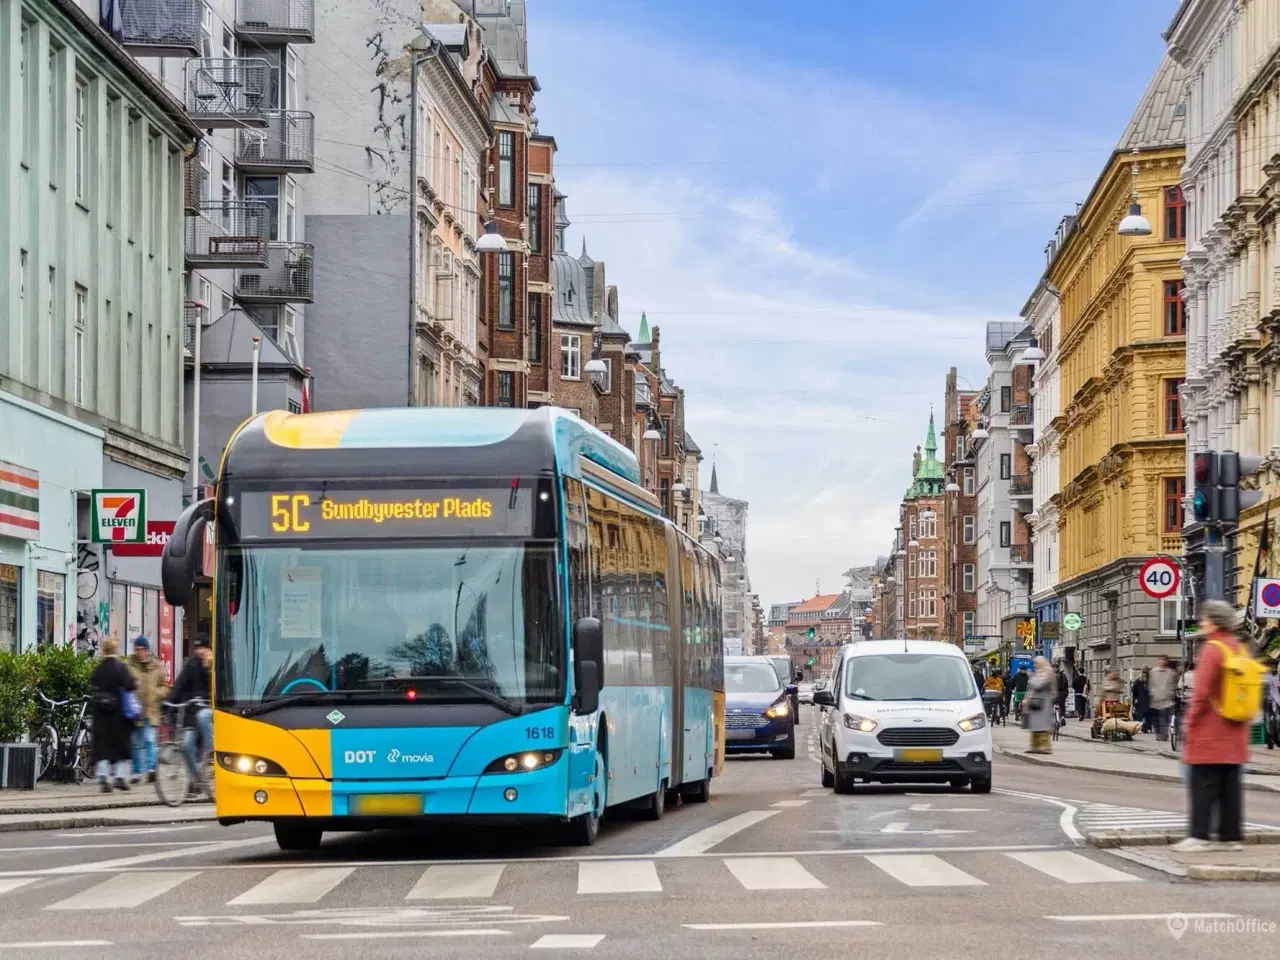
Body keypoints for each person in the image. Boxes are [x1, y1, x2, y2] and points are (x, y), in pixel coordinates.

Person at [1175, 600, 1250, 852]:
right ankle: (1231, 837)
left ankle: (1199, 835)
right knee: (1230, 787)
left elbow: (1201, 692)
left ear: (1215, 621)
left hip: (1209, 731)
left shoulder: (1212, 648)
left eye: (1205, 619)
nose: (1202, 623)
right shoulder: (1237, 647)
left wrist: (1189, 721)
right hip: (1235, 730)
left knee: (1203, 784)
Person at [89, 637, 138, 793]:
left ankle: (103, 776)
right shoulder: (120, 667)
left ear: (103, 650)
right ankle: (119, 777)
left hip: (100, 713)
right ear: (115, 650)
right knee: (120, 746)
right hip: (118, 714)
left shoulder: (98, 668)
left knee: (102, 746)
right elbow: (130, 685)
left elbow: (92, 685)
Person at [169, 635, 213, 791]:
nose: (200, 651)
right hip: (192, 713)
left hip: (209, 708)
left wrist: (209, 667)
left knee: (203, 717)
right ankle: (196, 777)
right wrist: (169, 702)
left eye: (203, 648)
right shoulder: (191, 665)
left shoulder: (214, 664)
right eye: (197, 648)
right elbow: (179, 684)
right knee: (187, 744)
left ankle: (212, 751)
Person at [127, 636, 168, 784]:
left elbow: (165, 686)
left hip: (151, 709)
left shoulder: (157, 666)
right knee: (136, 743)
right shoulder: (130, 666)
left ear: (147, 650)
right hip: (135, 711)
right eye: (137, 649)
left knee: (150, 740)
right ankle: (137, 772)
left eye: (142, 649)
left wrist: (158, 693)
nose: (139, 653)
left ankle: (151, 770)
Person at [1024, 656, 1057, 754]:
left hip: (1043, 703)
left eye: (1036, 663)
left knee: (1043, 726)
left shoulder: (1047, 673)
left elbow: (1038, 685)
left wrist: (1031, 679)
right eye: (1034, 663)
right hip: (1035, 703)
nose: (1034, 666)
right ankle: (1034, 745)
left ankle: (1046, 746)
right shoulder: (1037, 674)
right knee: (1034, 725)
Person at [1149, 655, 1177, 742]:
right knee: (1156, 719)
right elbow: (1151, 684)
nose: (1162, 661)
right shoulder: (1153, 672)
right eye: (1160, 660)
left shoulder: (1171, 672)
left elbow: (1173, 685)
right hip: (1155, 700)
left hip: (1167, 700)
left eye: (1164, 660)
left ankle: (1163, 735)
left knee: (1164, 718)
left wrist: (1170, 694)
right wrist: (1152, 694)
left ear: (1167, 661)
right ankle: (1158, 734)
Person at [1132, 668, 1151, 734]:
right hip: (1141, 700)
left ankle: (1145, 727)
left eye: (1146, 672)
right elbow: (1134, 690)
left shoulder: (1150, 680)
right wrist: (1135, 699)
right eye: (1144, 672)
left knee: (1146, 714)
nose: (1145, 674)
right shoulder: (1138, 680)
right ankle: (1143, 727)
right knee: (1142, 714)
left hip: (1147, 700)